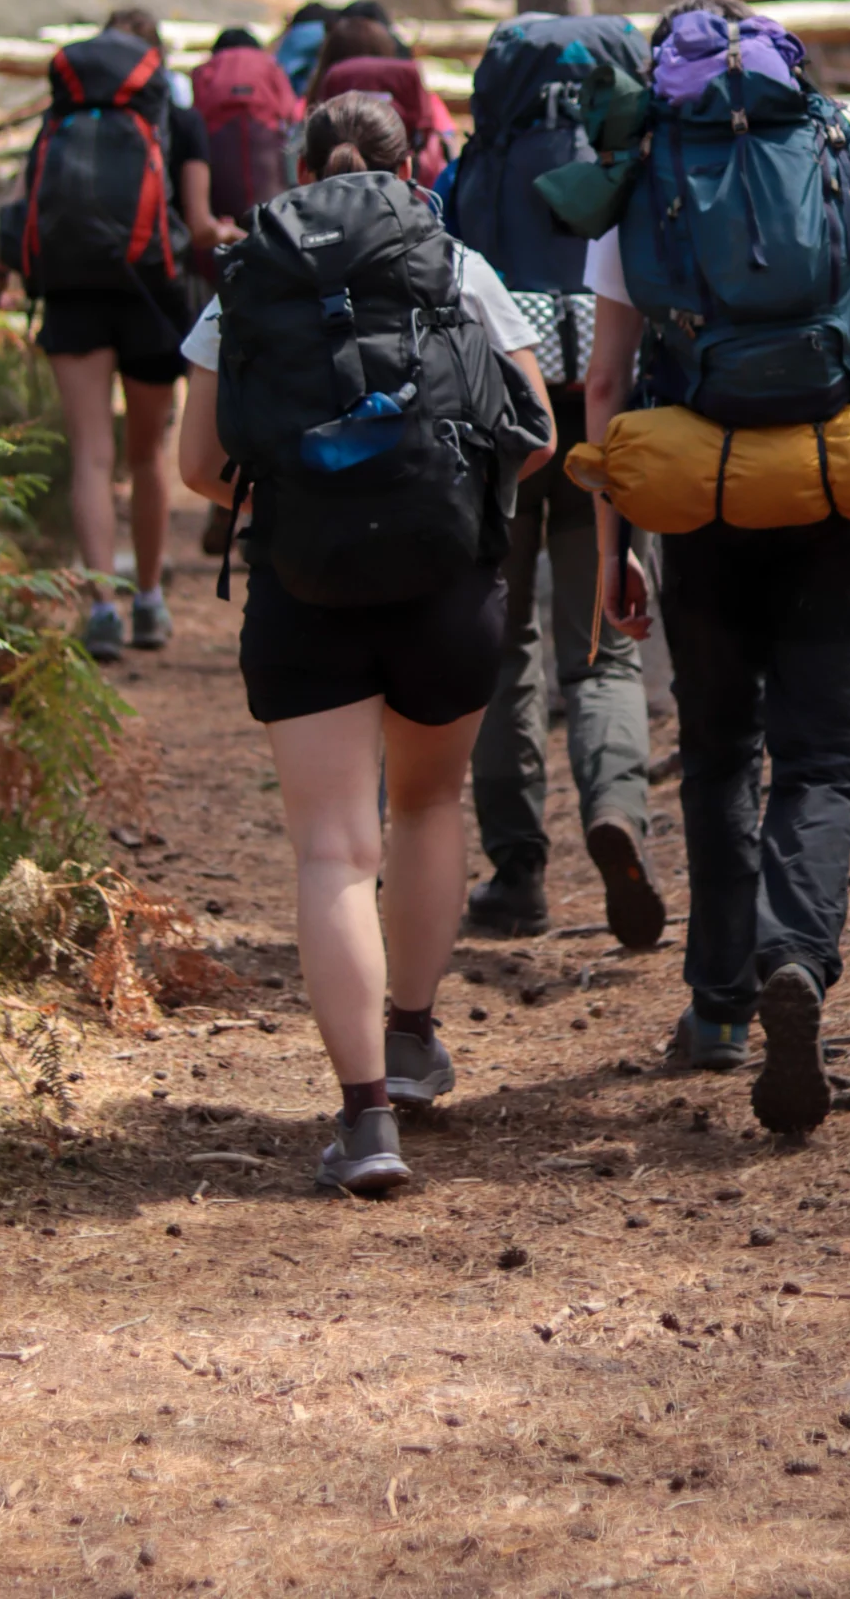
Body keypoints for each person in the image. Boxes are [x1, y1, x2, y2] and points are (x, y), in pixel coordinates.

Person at [583, 0, 850, 1132]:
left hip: (702, 498)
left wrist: (617, 549)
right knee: (823, 754)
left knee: (716, 752)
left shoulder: (642, 172)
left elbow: (602, 385)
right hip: (841, 485)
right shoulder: (845, 151)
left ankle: (718, 1007)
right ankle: (797, 957)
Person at [177, 92, 555, 1196]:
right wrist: (455, 497)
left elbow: (200, 463)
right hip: (446, 585)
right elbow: (536, 429)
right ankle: (414, 1033)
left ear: (300, 168)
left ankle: (366, 1121)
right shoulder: (456, 264)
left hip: (306, 587)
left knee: (333, 850)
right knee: (429, 804)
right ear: (416, 164)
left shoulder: (250, 277)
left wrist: (295, 499)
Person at [448, 12, 663, 948]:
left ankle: (516, 870)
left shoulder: (472, 177)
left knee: (506, 650)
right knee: (605, 645)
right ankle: (617, 812)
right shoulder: (637, 177)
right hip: (604, 436)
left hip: (502, 436)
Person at [0, 7, 232, 662]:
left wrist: (2, 271)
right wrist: (230, 232)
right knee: (147, 455)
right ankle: (149, 601)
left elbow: (21, 206)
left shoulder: (58, 119)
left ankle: (101, 609)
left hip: (71, 296)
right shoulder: (178, 121)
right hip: (153, 296)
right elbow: (199, 224)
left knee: (92, 458)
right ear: (154, 60)